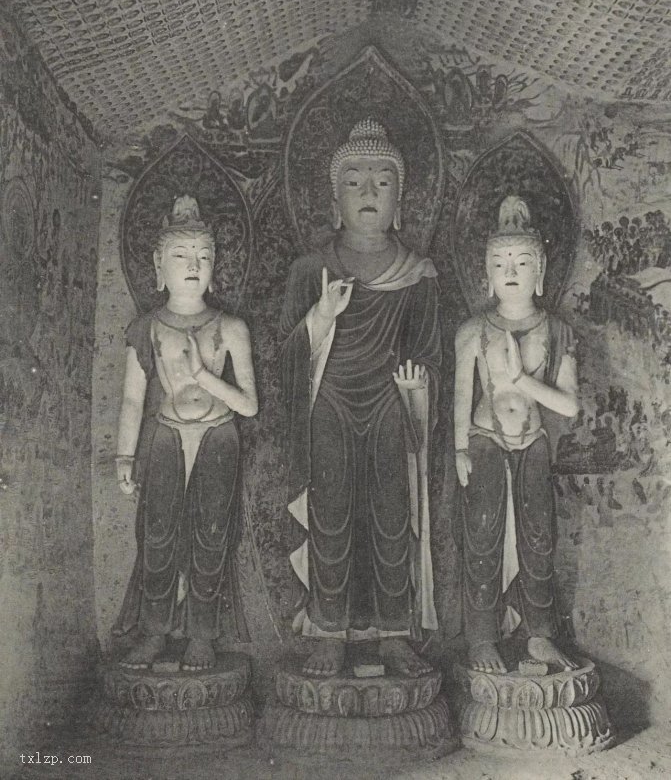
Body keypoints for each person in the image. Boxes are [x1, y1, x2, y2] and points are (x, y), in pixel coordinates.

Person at [280, 118, 441, 678]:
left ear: (400, 202)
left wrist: (419, 385)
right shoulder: (310, 270)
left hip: (390, 404)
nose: (369, 192)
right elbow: (286, 355)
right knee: (331, 515)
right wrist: (321, 315)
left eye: (382, 182)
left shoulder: (417, 275)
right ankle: (329, 629)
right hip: (328, 403)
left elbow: (429, 353)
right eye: (354, 182)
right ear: (334, 201)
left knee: (392, 517)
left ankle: (394, 633)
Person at [113, 196, 258, 671]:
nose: (193, 266)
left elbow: (249, 405)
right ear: (159, 266)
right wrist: (123, 456)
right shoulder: (148, 328)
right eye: (181, 256)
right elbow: (132, 399)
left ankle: (202, 635)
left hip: (219, 434)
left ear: (215, 268)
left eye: (203, 256)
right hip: (165, 435)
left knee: (211, 535)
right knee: (157, 536)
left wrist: (202, 376)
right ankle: (154, 633)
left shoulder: (230, 327)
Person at [454, 195, 579, 674]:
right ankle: (482, 638)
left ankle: (539, 635)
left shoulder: (557, 331)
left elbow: (569, 405)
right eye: (500, 262)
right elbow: (461, 396)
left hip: (533, 441)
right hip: (484, 437)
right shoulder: (473, 330)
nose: (511, 271)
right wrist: (459, 448)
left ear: (540, 273)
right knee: (483, 533)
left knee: (539, 535)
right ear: (486, 274)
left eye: (523, 262)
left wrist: (521, 380)